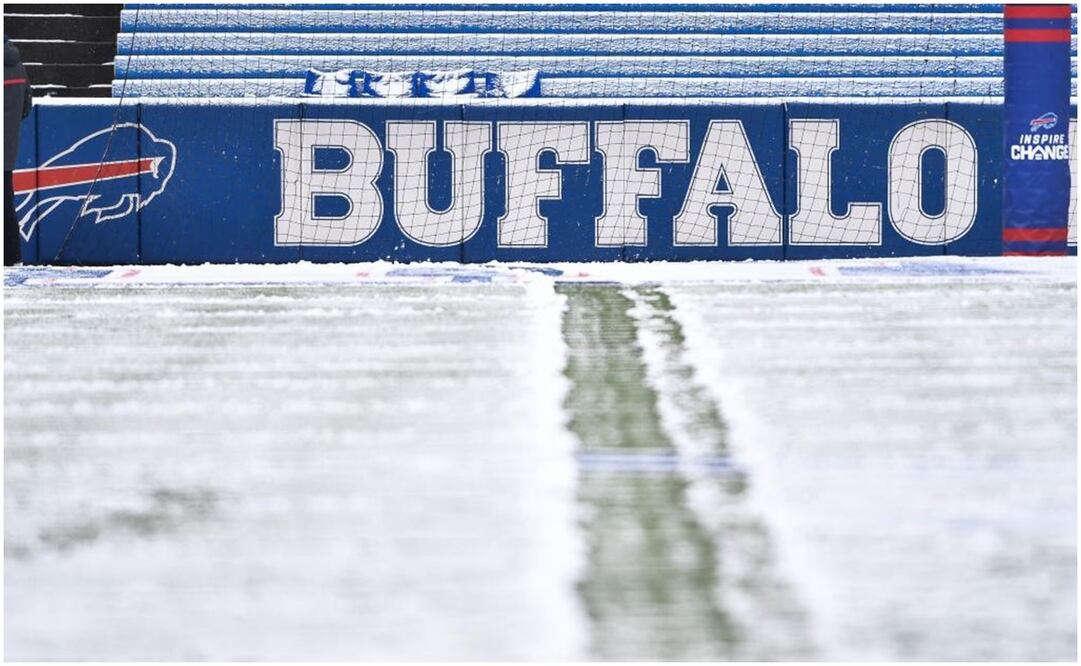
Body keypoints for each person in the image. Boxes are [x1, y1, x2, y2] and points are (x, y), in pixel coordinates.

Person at [5, 35, 32, 266]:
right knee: (6, 207)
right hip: (7, 149)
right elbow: (26, 109)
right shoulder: (19, 67)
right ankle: (12, 258)